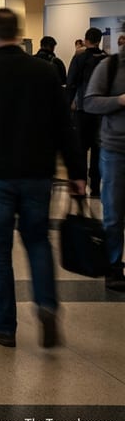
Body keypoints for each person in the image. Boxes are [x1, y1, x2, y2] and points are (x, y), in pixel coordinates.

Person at [0, 9, 86, 348]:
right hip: (38, 173)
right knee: (38, 242)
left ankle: (5, 326)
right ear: (18, 33)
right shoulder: (43, 72)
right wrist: (77, 173)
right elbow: (64, 127)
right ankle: (46, 305)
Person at [80, 40, 125, 292]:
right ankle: (113, 266)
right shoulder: (109, 67)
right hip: (116, 149)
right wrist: (119, 100)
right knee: (114, 213)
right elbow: (90, 102)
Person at [67, 27, 109, 198]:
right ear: (99, 40)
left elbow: (71, 83)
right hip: (102, 111)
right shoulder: (107, 59)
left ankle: (80, 186)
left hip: (83, 109)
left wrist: (68, 104)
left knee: (81, 149)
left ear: (86, 40)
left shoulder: (80, 58)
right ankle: (96, 188)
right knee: (98, 149)